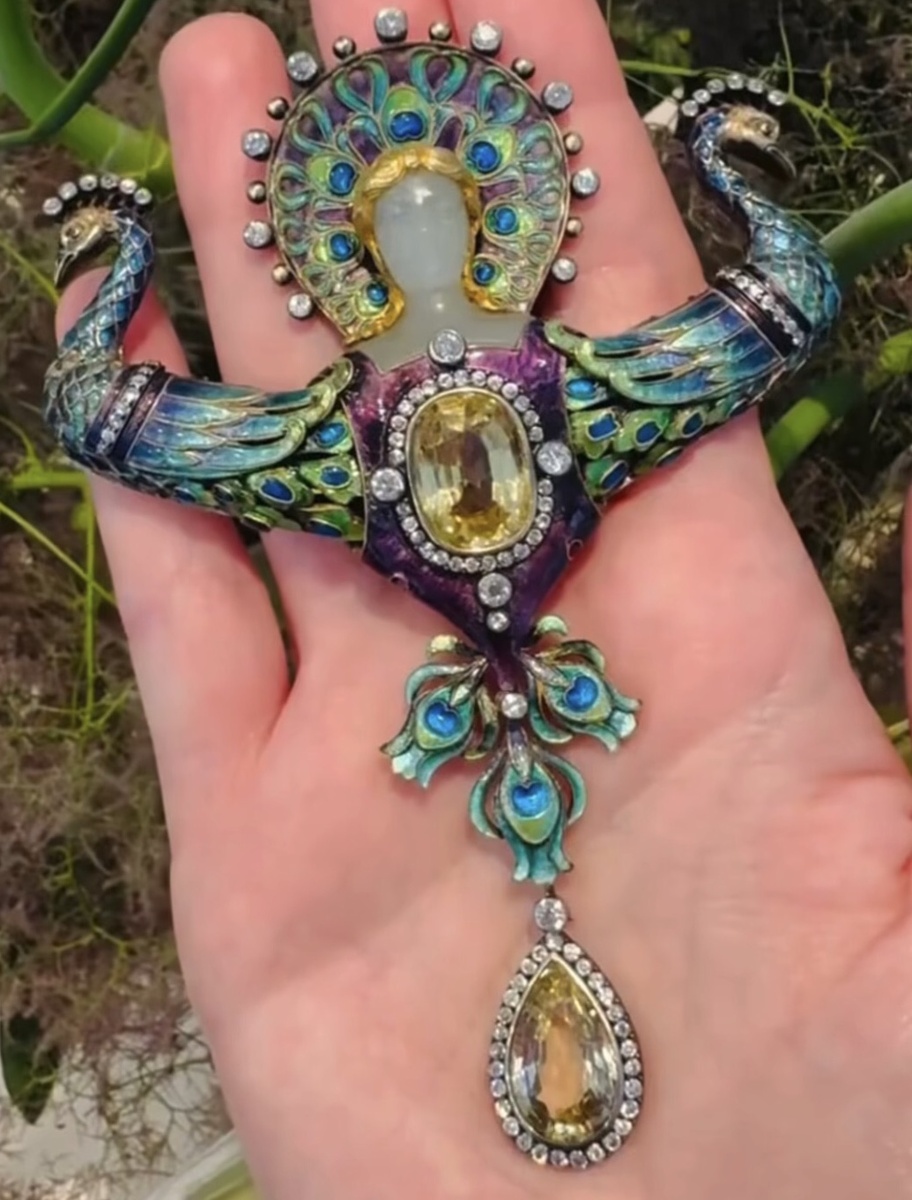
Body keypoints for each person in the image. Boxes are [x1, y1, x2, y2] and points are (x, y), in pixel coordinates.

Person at [56, 3, 912, 1197]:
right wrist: (116, 271)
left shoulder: (593, 391)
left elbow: (784, 302)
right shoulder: (334, 438)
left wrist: (732, 168)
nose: (423, 243)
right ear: (352, 258)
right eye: (393, 226)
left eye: (442, 215)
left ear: (492, 227)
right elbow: (104, 415)